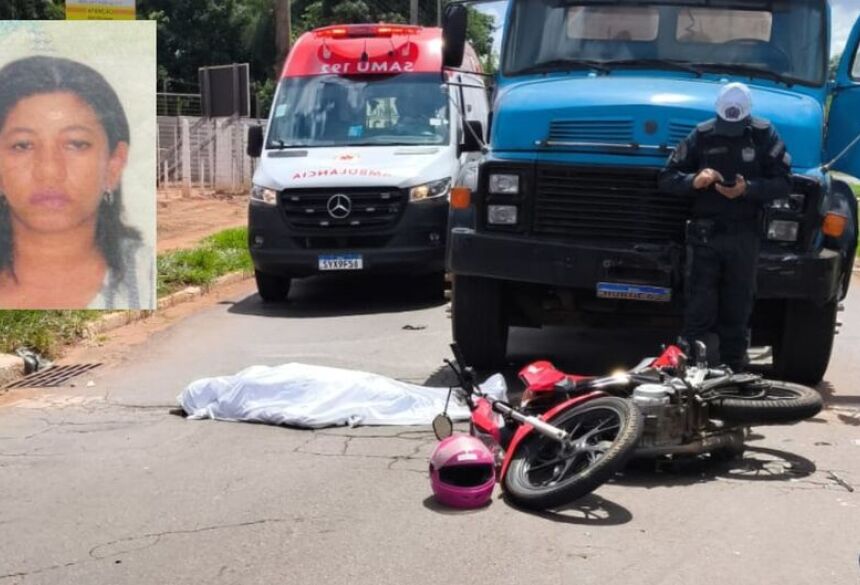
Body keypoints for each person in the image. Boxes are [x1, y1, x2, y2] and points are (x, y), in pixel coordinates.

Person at [0, 55, 152, 309]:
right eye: (23, 145)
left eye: (76, 144)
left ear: (114, 163)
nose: (49, 171)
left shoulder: (147, 278)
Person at [658, 82, 792, 371]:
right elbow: (667, 178)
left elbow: (784, 182)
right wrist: (694, 180)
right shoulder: (702, 134)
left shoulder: (764, 135)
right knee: (699, 305)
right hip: (705, 235)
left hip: (744, 234)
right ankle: (691, 365)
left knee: (738, 304)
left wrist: (748, 189)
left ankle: (733, 369)